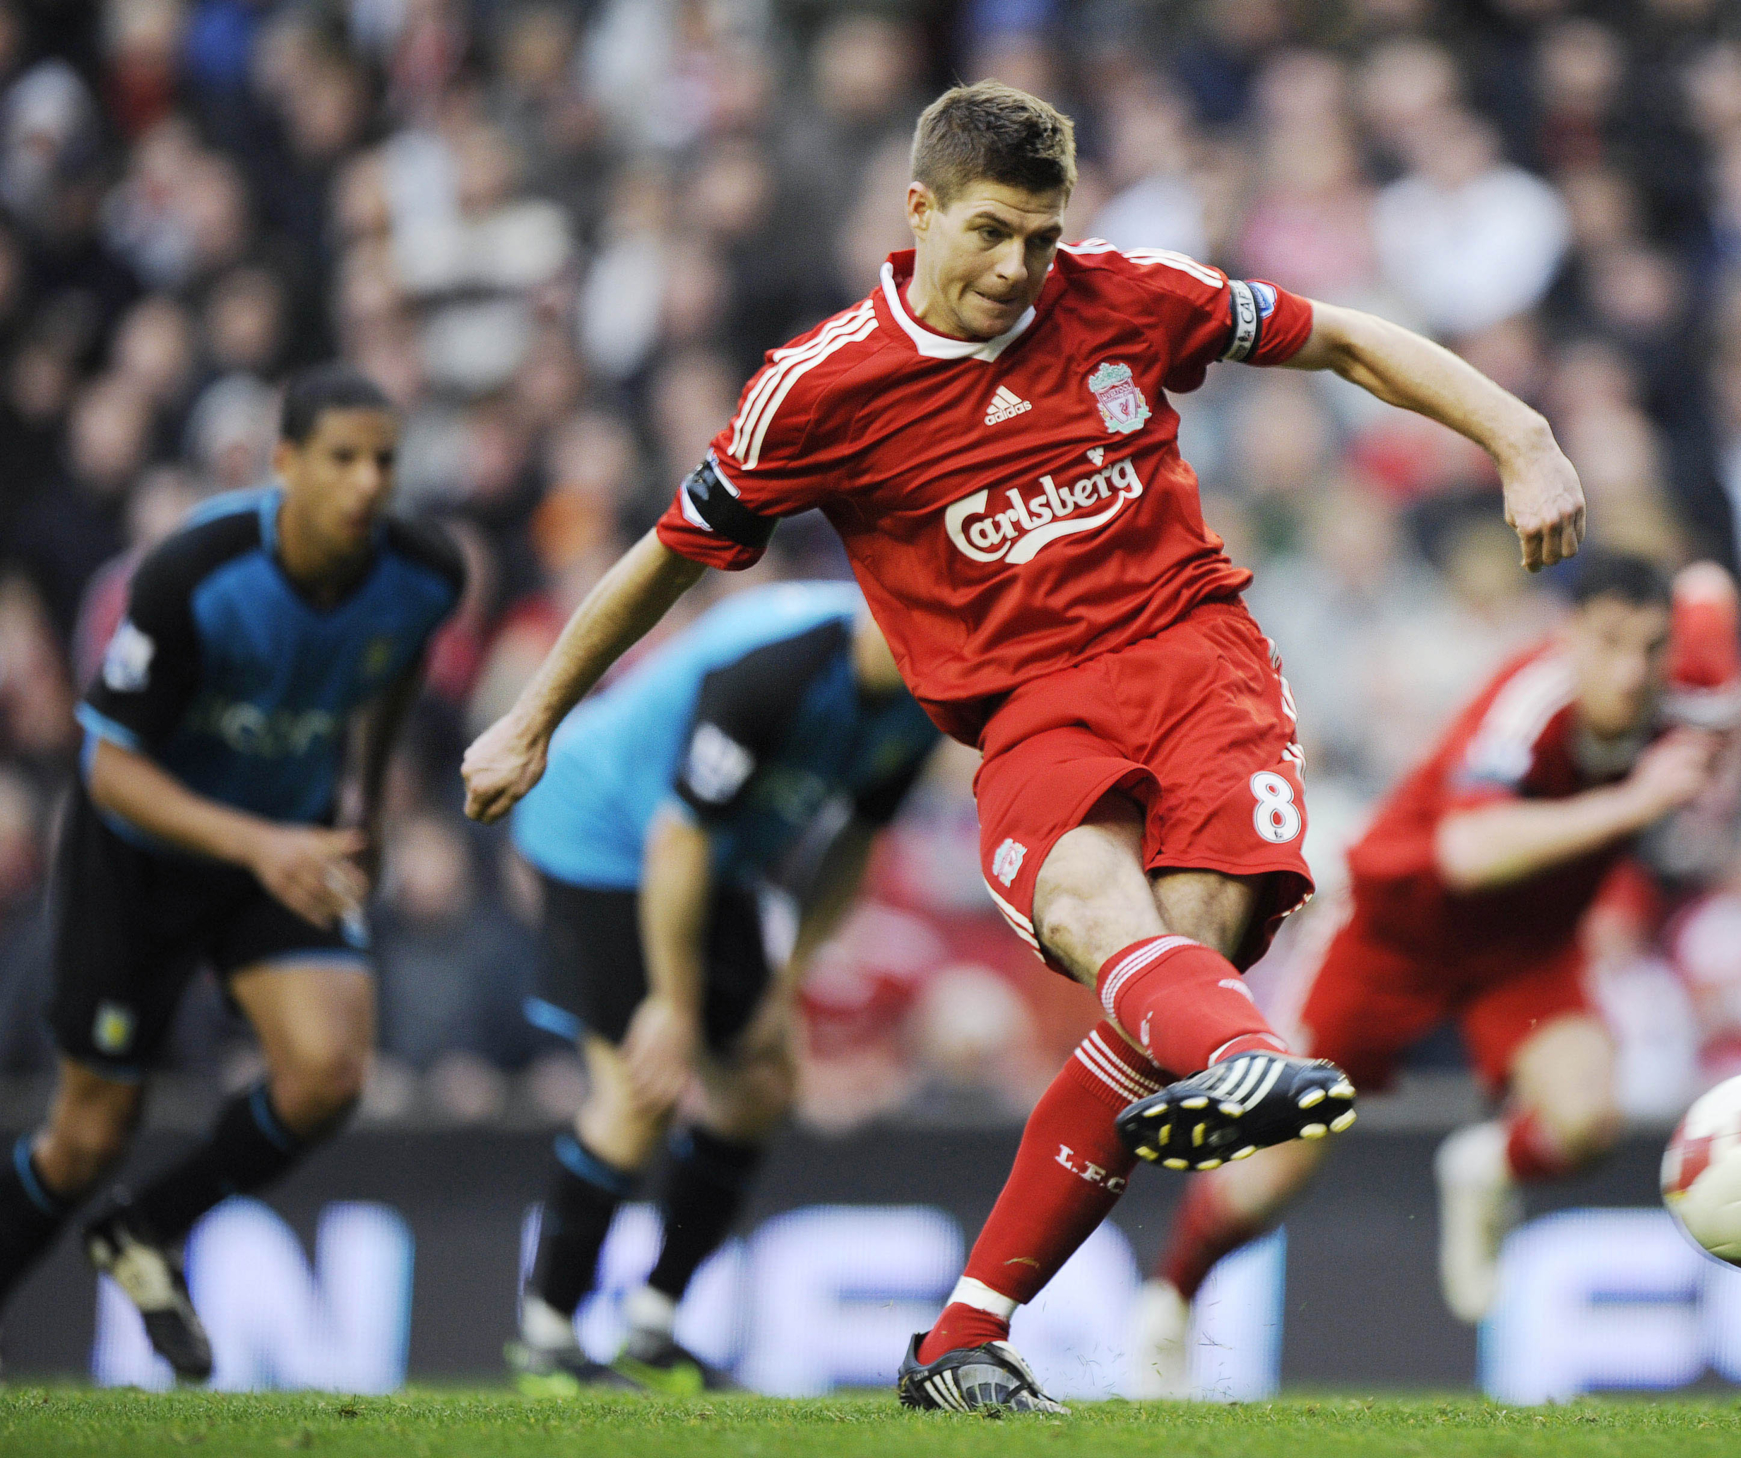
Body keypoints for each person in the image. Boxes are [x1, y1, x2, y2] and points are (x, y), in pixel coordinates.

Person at [458, 81, 1585, 1414]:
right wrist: (532, 714)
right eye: (992, 232)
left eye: (1042, 239)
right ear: (919, 210)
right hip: (1030, 709)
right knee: (1110, 930)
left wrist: (1519, 430)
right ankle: (1236, 1058)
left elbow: (1338, 339)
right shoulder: (816, 391)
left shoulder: (1128, 295)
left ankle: (957, 1342)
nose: (1017, 268)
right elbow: (667, 559)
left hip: (1202, 661)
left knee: (1182, 955)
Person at [1129, 555, 1741, 1396]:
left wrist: (1707, 606)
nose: (1632, 672)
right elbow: (1466, 852)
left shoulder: (1693, 679)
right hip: (1397, 929)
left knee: (1588, 1120)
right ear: (1567, 638)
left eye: (1650, 647)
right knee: (1277, 1159)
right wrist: (1637, 802)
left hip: (1526, 946)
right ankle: (1171, 1297)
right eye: (1608, 645)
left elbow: (1712, 593)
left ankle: (1486, 1167)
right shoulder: (1530, 705)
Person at [0, 367, 461, 1380]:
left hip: (287, 838)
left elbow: (392, 672)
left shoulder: (427, 573)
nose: (367, 483)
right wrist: (263, 845)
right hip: (142, 855)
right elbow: (109, 768)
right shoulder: (194, 574)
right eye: (342, 459)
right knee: (87, 1137)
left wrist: (365, 802)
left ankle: (149, 1230)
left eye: (384, 460)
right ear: (283, 464)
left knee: (329, 1077)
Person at [504, 581, 942, 1394]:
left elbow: (856, 841)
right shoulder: (776, 669)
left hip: (716, 858)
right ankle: (547, 1335)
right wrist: (672, 1005)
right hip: (599, 833)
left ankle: (655, 1326)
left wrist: (789, 979)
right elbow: (678, 835)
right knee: (643, 1092)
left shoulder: (931, 695)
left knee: (761, 1083)